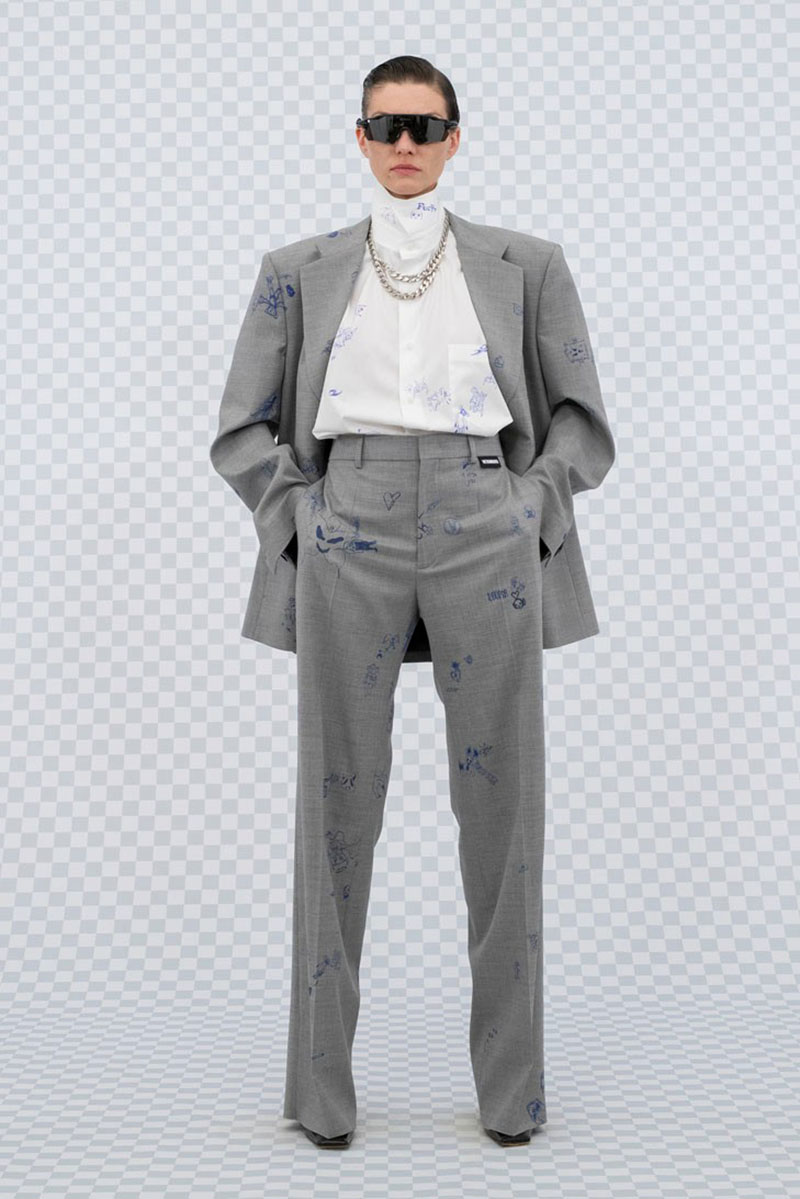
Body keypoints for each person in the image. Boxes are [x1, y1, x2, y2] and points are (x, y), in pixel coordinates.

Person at [210, 55, 615, 1150]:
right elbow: (241, 427)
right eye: (385, 125)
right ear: (358, 135)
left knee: (505, 810)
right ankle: (319, 1096)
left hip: (487, 512)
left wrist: (528, 508)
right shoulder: (296, 270)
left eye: (423, 127)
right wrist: (301, 518)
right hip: (349, 513)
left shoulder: (527, 263)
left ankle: (513, 1095)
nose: (404, 144)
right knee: (334, 806)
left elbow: (580, 419)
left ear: (453, 137)